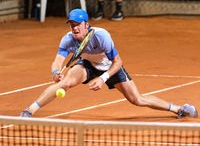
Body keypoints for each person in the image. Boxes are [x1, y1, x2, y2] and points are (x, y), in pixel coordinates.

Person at [19, 9, 198, 119]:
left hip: (110, 68)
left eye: (77, 24)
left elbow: (118, 61)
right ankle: (29, 111)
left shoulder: (101, 36)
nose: (74, 28)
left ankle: (178, 109)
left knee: (138, 100)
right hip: (87, 65)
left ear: (86, 24)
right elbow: (58, 59)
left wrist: (103, 79)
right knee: (63, 82)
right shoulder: (68, 39)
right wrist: (55, 71)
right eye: (71, 25)